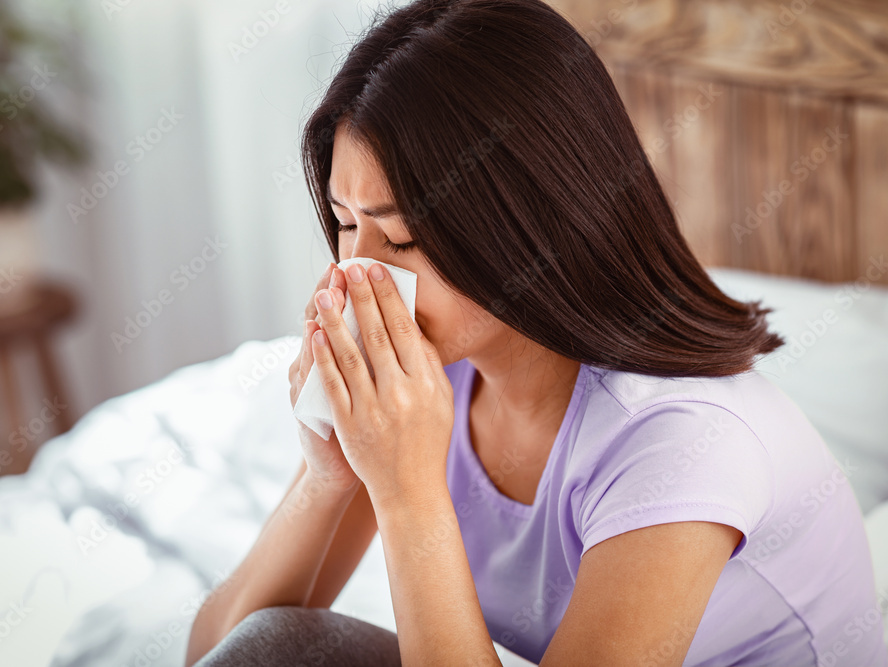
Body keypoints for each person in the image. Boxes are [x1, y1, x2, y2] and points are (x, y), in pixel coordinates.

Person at [184, 0, 888, 665]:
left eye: (398, 238)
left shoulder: (681, 441)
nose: (357, 274)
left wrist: (407, 492)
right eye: (344, 224)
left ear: (528, 228)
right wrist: (330, 469)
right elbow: (219, 649)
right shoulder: (443, 371)